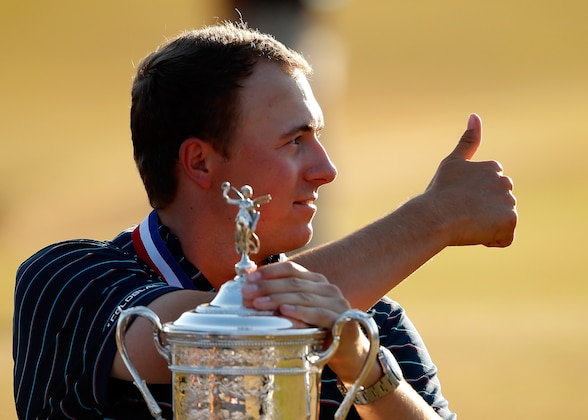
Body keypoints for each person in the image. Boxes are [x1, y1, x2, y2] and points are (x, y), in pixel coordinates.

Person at [13, 21, 516, 419]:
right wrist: (431, 220)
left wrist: (366, 372)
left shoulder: (369, 320)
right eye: (293, 141)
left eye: (318, 137)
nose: (325, 170)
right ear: (201, 164)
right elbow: (216, 335)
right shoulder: (65, 282)